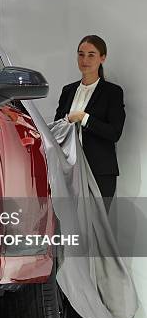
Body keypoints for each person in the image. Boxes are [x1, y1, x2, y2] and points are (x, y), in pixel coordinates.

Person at [54, 35, 125, 212]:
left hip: (99, 171)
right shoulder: (68, 90)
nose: (84, 60)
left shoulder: (113, 92)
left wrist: (84, 118)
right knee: (67, 227)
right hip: (69, 170)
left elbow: (114, 133)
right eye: (81, 54)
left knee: (95, 230)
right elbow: (57, 127)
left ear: (103, 58)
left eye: (91, 55)